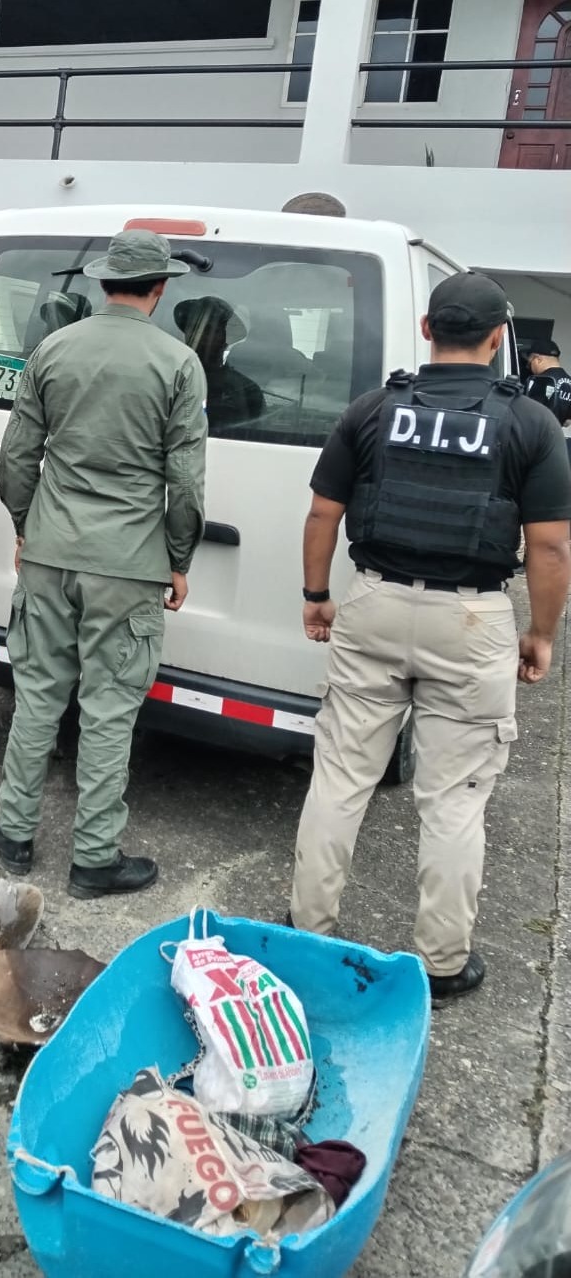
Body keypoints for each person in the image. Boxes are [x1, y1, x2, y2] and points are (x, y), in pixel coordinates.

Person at [290, 272, 571, 1001]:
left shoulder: (373, 408)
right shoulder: (530, 423)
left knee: (340, 778)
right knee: (454, 800)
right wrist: (541, 634)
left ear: (426, 329)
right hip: (472, 620)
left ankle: (306, 932)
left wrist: (317, 596)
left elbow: (323, 514)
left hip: (374, 603)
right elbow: (550, 547)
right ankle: (442, 963)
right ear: (497, 337)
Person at [0, 229, 208, 899]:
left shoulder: (53, 350)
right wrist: (178, 557)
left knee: (36, 695)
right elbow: (185, 481)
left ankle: (14, 835)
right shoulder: (178, 363)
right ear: (160, 287)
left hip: (50, 550)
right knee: (109, 709)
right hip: (129, 561)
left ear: (104, 281)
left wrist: (26, 527)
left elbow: (16, 459)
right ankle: (93, 859)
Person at [173, 296, 265, 432]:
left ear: (225, 337)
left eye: (210, 329)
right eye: (193, 327)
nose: (200, 335)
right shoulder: (168, 381)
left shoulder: (246, 392)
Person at [523, 338, 571, 458]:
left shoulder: (537, 381)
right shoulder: (569, 382)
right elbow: (567, 422)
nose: (529, 367)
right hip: (557, 442)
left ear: (538, 359)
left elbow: (527, 414)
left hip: (534, 441)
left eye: (529, 363)